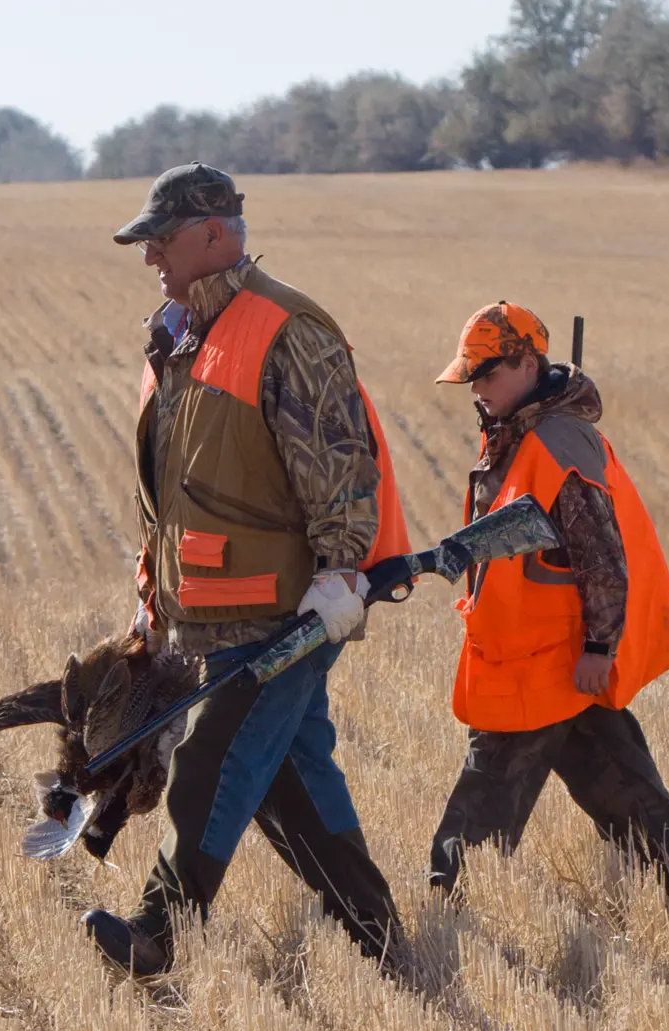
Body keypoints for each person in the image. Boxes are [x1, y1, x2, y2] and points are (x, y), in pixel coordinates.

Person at [80, 163, 411, 976]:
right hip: (211, 609)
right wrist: (153, 598)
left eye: (162, 239)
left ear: (216, 234)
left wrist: (340, 577)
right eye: (147, 241)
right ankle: (379, 938)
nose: (150, 254)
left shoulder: (286, 327)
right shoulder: (181, 338)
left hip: (284, 608)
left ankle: (158, 931)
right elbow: (173, 493)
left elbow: (339, 464)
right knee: (287, 778)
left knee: (213, 761)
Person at [428, 302, 669, 897]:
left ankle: (451, 903)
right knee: (618, 781)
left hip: (548, 656)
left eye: (487, 373)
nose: (476, 388)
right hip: (540, 653)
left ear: (527, 363)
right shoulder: (516, 432)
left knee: (487, 790)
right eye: (470, 377)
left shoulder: (556, 443)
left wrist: (599, 647)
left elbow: (602, 556)